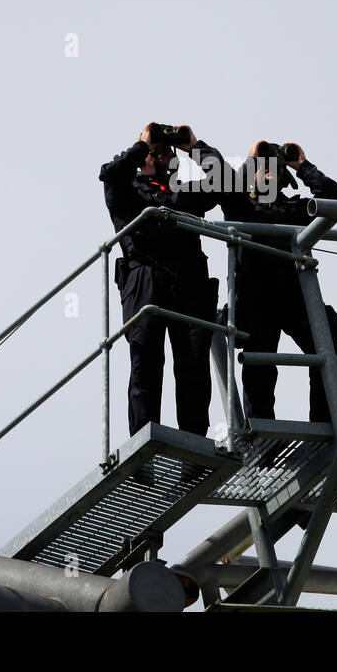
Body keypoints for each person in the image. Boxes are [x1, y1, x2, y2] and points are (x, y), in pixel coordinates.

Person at [99, 122, 229, 437]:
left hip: (189, 280)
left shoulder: (184, 192)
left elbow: (224, 182)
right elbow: (111, 172)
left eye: (163, 152)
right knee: (146, 362)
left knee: (194, 365)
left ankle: (194, 446)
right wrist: (143, 143)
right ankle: (145, 444)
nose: (157, 155)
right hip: (144, 278)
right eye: (151, 152)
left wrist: (194, 146)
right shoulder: (125, 190)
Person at [220, 140, 337, 423]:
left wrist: (302, 166)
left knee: (326, 339)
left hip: (293, 292)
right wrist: (251, 159)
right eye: (262, 169)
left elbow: (333, 199)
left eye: (275, 169)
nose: (268, 173)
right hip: (255, 295)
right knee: (260, 365)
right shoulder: (243, 206)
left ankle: (327, 423)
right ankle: (261, 433)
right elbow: (227, 191)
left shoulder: (295, 207)